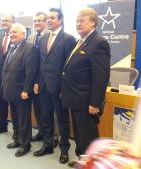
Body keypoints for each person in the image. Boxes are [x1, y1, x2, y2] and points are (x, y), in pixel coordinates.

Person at [60, 7, 110, 167]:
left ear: (93, 23)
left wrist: (95, 103)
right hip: (75, 99)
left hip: (87, 102)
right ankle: (83, 161)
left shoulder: (99, 43)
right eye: (76, 21)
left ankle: (91, 164)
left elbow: (101, 77)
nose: (78, 24)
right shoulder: (80, 41)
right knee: (80, 137)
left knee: (88, 138)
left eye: (82, 21)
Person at [33, 8, 76, 164]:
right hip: (44, 85)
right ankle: (48, 144)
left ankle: (64, 149)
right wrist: (37, 82)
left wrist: (65, 88)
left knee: (63, 119)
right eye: (48, 18)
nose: (49, 20)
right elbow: (40, 63)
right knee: (45, 118)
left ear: (60, 20)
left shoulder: (68, 39)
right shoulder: (43, 38)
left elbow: (69, 67)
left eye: (52, 18)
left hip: (59, 88)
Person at [2, 23, 37, 157]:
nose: (12, 34)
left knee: (24, 120)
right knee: (15, 118)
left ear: (24, 34)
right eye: (11, 32)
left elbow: (31, 71)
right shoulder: (12, 48)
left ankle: (25, 144)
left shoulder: (29, 48)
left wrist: (26, 90)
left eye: (15, 32)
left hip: (21, 91)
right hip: (10, 90)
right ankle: (17, 139)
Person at [0, 14, 16, 136]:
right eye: (2, 20)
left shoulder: (17, 36)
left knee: (14, 105)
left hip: (14, 79)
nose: (4, 22)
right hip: (0, 77)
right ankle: (2, 125)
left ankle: (17, 130)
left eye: (7, 20)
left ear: (13, 22)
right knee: (1, 103)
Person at [27, 11, 48, 142]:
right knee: (37, 109)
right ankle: (41, 131)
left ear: (46, 22)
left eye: (40, 20)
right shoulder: (31, 37)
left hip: (45, 80)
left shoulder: (50, 36)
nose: (37, 23)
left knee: (48, 110)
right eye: (35, 21)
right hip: (32, 79)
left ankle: (51, 136)